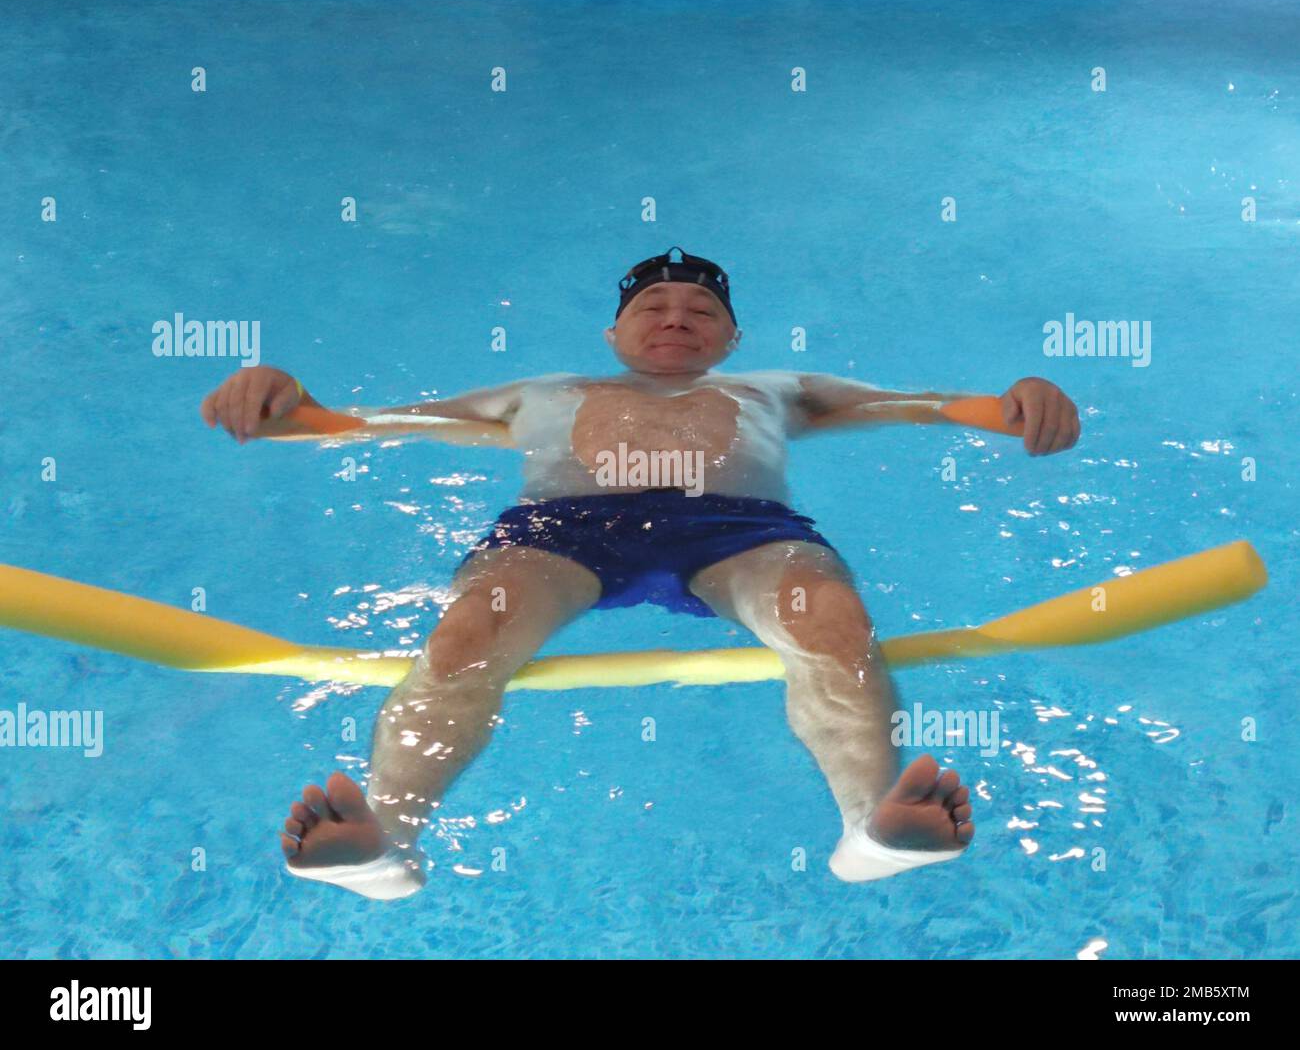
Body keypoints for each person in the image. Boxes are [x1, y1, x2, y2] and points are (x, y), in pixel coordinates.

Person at [201, 247, 1080, 900]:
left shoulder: (780, 386)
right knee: (467, 634)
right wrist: (276, 393)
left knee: (833, 622)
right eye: (653, 306)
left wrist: (1017, 401)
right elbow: (360, 423)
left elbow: (928, 405)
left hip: (737, 529)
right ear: (615, 331)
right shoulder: (538, 392)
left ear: (732, 335)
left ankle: (870, 829)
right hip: (562, 530)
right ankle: (385, 841)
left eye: (701, 309)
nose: (675, 318)